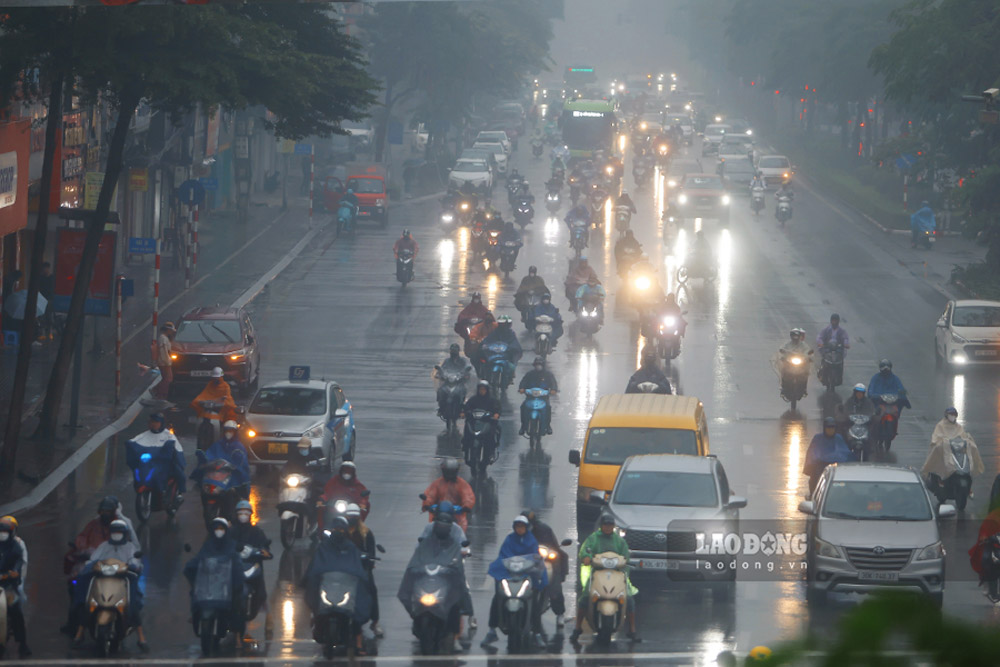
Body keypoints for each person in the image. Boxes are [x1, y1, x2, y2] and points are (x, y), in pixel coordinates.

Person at [72, 519, 147, 651]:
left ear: (124, 534)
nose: (116, 534)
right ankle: (80, 632)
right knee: (85, 599)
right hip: (103, 577)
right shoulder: (104, 546)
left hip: (124, 578)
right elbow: (93, 559)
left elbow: (136, 562)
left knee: (133, 602)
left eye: (119, 532)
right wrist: (88, 566)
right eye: (114, 532)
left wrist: (134, 566)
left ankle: (141, 638)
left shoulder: (130, 548)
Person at [305, 515, 372, 654]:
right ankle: (315, 619)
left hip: (347, 586)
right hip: (327, 585)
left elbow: (357, 564)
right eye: (336, 528)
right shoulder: (323, 547)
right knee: (313, 590)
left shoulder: (351, 547)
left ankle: (358, 643)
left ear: (345, 531)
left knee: (361, 597)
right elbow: (315, 567)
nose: (338, 531)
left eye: (341, 529)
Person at [570, 514, 639, 643]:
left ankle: (632, 629)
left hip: (617, 574)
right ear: (601, 526)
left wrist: (625, 562)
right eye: (606, 525)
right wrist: (585, 556)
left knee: (629, 599)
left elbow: (626, 556)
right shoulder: (593, 538)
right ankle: (578, 628)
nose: (608, 527)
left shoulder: (619, 541)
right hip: (598, 573)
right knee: (585, 598)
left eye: (610, 525)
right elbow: (585, 550)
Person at [481, 516, 548, 647]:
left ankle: (537, 633)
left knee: (534, 601)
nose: (520, 529)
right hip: (509, 574)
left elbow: (535, 557)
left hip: (526, 575)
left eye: (522, 526)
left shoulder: (531, 540)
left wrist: (536, 567)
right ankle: (492, 631)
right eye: (517, 526)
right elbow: (503, 556)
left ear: (526, 528)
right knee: (497, 598)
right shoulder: (509, 540)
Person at [183, 518, 245, 641]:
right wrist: (190, 568)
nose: (219, 531)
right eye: (216, 528)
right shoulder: (208, 545)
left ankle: (236, 630)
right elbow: (199, 559)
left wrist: (237, 579)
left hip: (225, 587)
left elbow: (237, 564)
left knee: (238, 603)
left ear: (226, 530)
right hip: (209, 586)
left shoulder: (231, 545)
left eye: (221, 528)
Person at [232, 501, 274, 640]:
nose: (243, 516)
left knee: (261, 592)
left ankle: (268, 617)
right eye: (240, 513)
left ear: (250, 515)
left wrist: (264, 552)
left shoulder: (256, 532)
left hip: (252, 567)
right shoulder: (230, 531)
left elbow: (264, 546)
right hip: (233, 568)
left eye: (246, 513)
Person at [522, 510, 568, 628]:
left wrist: (552, 553)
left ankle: (560, 614)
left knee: (555, 587)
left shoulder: (544, 530)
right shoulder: (519, 531)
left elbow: (554, 547)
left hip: (546, 561)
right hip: (529, 562)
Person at [345, 503, 382, 637]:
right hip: (343, 568)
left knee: (371, 589)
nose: (352, 518)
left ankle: (375, 621)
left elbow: (371, 553)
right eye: (350, 516)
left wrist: (369, 561)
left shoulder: (366, 533)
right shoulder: (340, 531)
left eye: (354, 516)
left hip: (361, 569)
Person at [132, 413, 187, 496]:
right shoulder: (145, 435)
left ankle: (179, 492)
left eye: (156, 422)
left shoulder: (168, 435)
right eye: (152, 422)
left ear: (161, 423)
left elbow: (176, 447)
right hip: (150, 461)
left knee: (179, 473)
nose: (153, 424)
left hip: (166, 461)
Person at [192, 420, 251, 496]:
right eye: (227, 430)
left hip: (232, 475)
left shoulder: (239, 447)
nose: (228, 433)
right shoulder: (218, 444)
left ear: (235, 432)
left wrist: (235, 466)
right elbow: (210, 454)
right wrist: (205, 459)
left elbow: (242, 464)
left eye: (231, 431)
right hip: (218, 474)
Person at [0, 517, 30, 657]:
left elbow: (19, 561)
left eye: (5, 531)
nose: (3, 534)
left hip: (8, 585)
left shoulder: (16, 546)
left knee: (16, 611)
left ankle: (22, 644)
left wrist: (14, 573)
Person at [422, 459, 476, 533]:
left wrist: (466, 506)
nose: (450, 474)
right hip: (438, 516)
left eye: (452, 472)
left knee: (461, 537)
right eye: (448, 472)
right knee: (426, 534)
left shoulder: (462, 484)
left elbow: (467, 496)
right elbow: (430, 495)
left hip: (457, 517)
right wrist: (427, 504)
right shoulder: (437, 483)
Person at [803, 417, 856, 493]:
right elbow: (812, 453)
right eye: (828, 427)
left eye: (832, 427)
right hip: (820, 467)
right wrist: (817, 460)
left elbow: (844, 452)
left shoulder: (838, 438)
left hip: (836, 467)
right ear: (824, 428)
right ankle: (813, 495)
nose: (830, 429)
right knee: (814, 480)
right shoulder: (818, 438)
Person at [461, 382, 502, 468]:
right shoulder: (473, 399)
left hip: (487, 422)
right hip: (474, 422)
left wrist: (496, 414)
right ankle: (465, 447)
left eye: (484, 389)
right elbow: (467, 407)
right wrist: (464, 413)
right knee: (467, 429)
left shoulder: (492, 400)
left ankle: (491, 451)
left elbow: (497, 409)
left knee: (496, 429)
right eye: (480, 389)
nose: (482, 391)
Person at [518, 357, 559, 435]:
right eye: (536, 365)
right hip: (530, 397)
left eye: (539, 364)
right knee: (523, 407)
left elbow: (553, 383)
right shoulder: (530, 374)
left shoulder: (548, 374)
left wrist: (553, 389)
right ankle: (523, 426)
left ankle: (547, 425)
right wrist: (521, 388)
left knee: (548, 408)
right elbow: (523, 382)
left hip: (543, 398)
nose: (538, 366)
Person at [478, 315, 522, 383]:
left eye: (506, 324)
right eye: (502, 324)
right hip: (494, 355)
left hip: (506, 355)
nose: (504, 326)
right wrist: (484, 345)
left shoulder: (511, 333)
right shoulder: (495, 332)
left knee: (512, 366)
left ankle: (510, 377)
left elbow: (514, 342)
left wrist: (512, 348)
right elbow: (488, 340)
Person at [436, 343, 474, 415]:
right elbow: (442, 369)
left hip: (459, 382)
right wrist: (439, 374)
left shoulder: (463, 360)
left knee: (463, 390)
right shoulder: (447, 361)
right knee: (440, 390)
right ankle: (441, 408)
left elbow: (467, 367)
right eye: (452, 350)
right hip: (448, 382)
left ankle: (462, 406)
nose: (453, 352)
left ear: (458, 351)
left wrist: (466, 374)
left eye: (455, 350)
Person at [153, 322, 176, 400]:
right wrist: (168, 362)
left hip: (164, 361)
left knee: (166, 378)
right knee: (168, 379)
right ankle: (161, 395)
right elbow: (164, 352)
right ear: (168, 330)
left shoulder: (165, 338)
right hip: (164, 362)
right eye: (171, 330)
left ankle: (157, 391)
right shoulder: (163, 339)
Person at [38, 262, 54, 340]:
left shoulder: (52, 278)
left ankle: (50, 332)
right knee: (42, 316)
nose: (45, 270)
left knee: (49, 316)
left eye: (46, 268)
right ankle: (43, 333)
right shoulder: (40, 278)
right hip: (41, 299)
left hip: (49, 299)